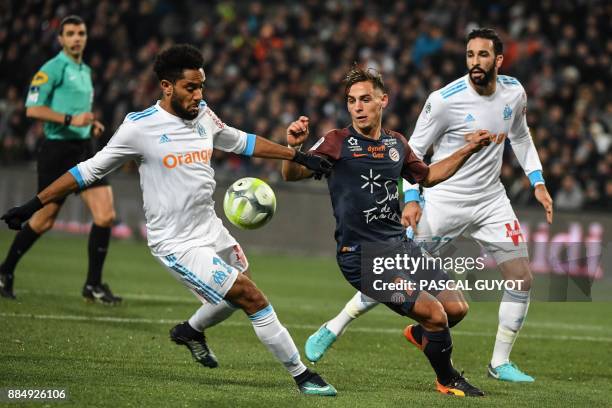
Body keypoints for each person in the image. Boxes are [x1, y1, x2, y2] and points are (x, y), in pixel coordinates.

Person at [0, 44, 336, 396]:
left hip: (210, 227)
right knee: (250, 296)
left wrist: (298, 156)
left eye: (202, 86)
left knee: (238, 291)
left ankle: (190, 331)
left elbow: (242, 141)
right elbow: (87, 171)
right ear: (166, 86)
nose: (199, 95)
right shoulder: (139, 127)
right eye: (191, 87)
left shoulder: (204, 114)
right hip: (176, 242)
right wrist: (33, 204)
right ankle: (302, 376)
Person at [303, 28, 554, 384]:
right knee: (392, 271)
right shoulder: (444, 100)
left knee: (521, 278)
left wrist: (537, 180)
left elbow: (521, 136)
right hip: (444, 201)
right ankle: (336, 324)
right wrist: (412, 199)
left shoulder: (514, 91)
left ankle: (499, 363)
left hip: (492, 201)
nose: (475, 62)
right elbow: (412, 154)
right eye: (469, 55)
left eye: (483, 55)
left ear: (498, 60)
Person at [282, 66, 492, 397]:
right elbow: (292, 175)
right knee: (436, 315)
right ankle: (447, 378)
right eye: (352, 101)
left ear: (383, 100)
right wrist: (294, 148)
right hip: (363, 258)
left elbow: (429, 176)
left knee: (456, 310)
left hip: (401, 248)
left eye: (365, 99)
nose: (358, 107)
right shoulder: (337, 143)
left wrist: (468, 149)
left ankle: (423, 337)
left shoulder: (396, 144)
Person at [0, 15, 121, 304]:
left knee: (105, 215)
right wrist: (70, 119)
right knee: (43, 221)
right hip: (57, 150)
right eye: (70, 33)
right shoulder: (51, 69)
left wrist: (88, 124)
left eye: (81, 32)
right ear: (61, 39)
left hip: (85, 148)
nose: (77, 37)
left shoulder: (86, 70)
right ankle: (5, 271)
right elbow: (33, 109)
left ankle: (92, 284)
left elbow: (78, 111)